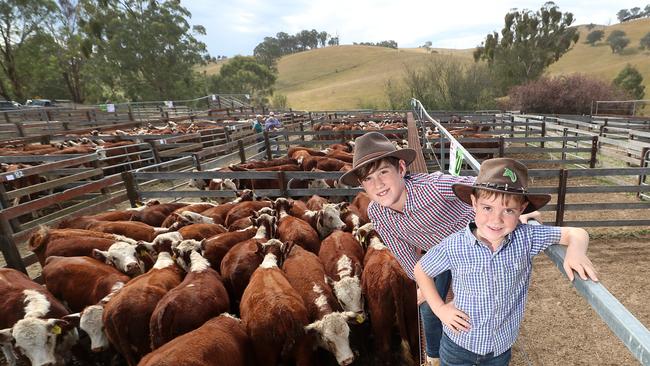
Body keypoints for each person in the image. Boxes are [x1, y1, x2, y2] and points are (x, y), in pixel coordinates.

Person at [339, 132, 539, 366]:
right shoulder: (377, 213)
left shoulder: (434, 187)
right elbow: (404, 253)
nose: (378, 184)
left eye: (384, 172)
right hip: (438, 256)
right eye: (369, 179)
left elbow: (482, 188)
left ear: (401, 168)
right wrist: (423, 287)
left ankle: (484, 348)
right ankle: (433, 357)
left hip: (476, 247)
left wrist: (512, 213)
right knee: (428, 309)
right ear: (362, 185)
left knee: (474, 308)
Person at [413, 157, 598, 366]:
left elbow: (577, 233)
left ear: (522, 209)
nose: (496, 220)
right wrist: (439, 309)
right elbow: (421, 269)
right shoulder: (454, 245)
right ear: (474, 203)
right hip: (458, 344)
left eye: (508, 210)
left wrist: (576, 252)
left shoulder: (527, 238)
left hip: (500, 348)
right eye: (487, 208)